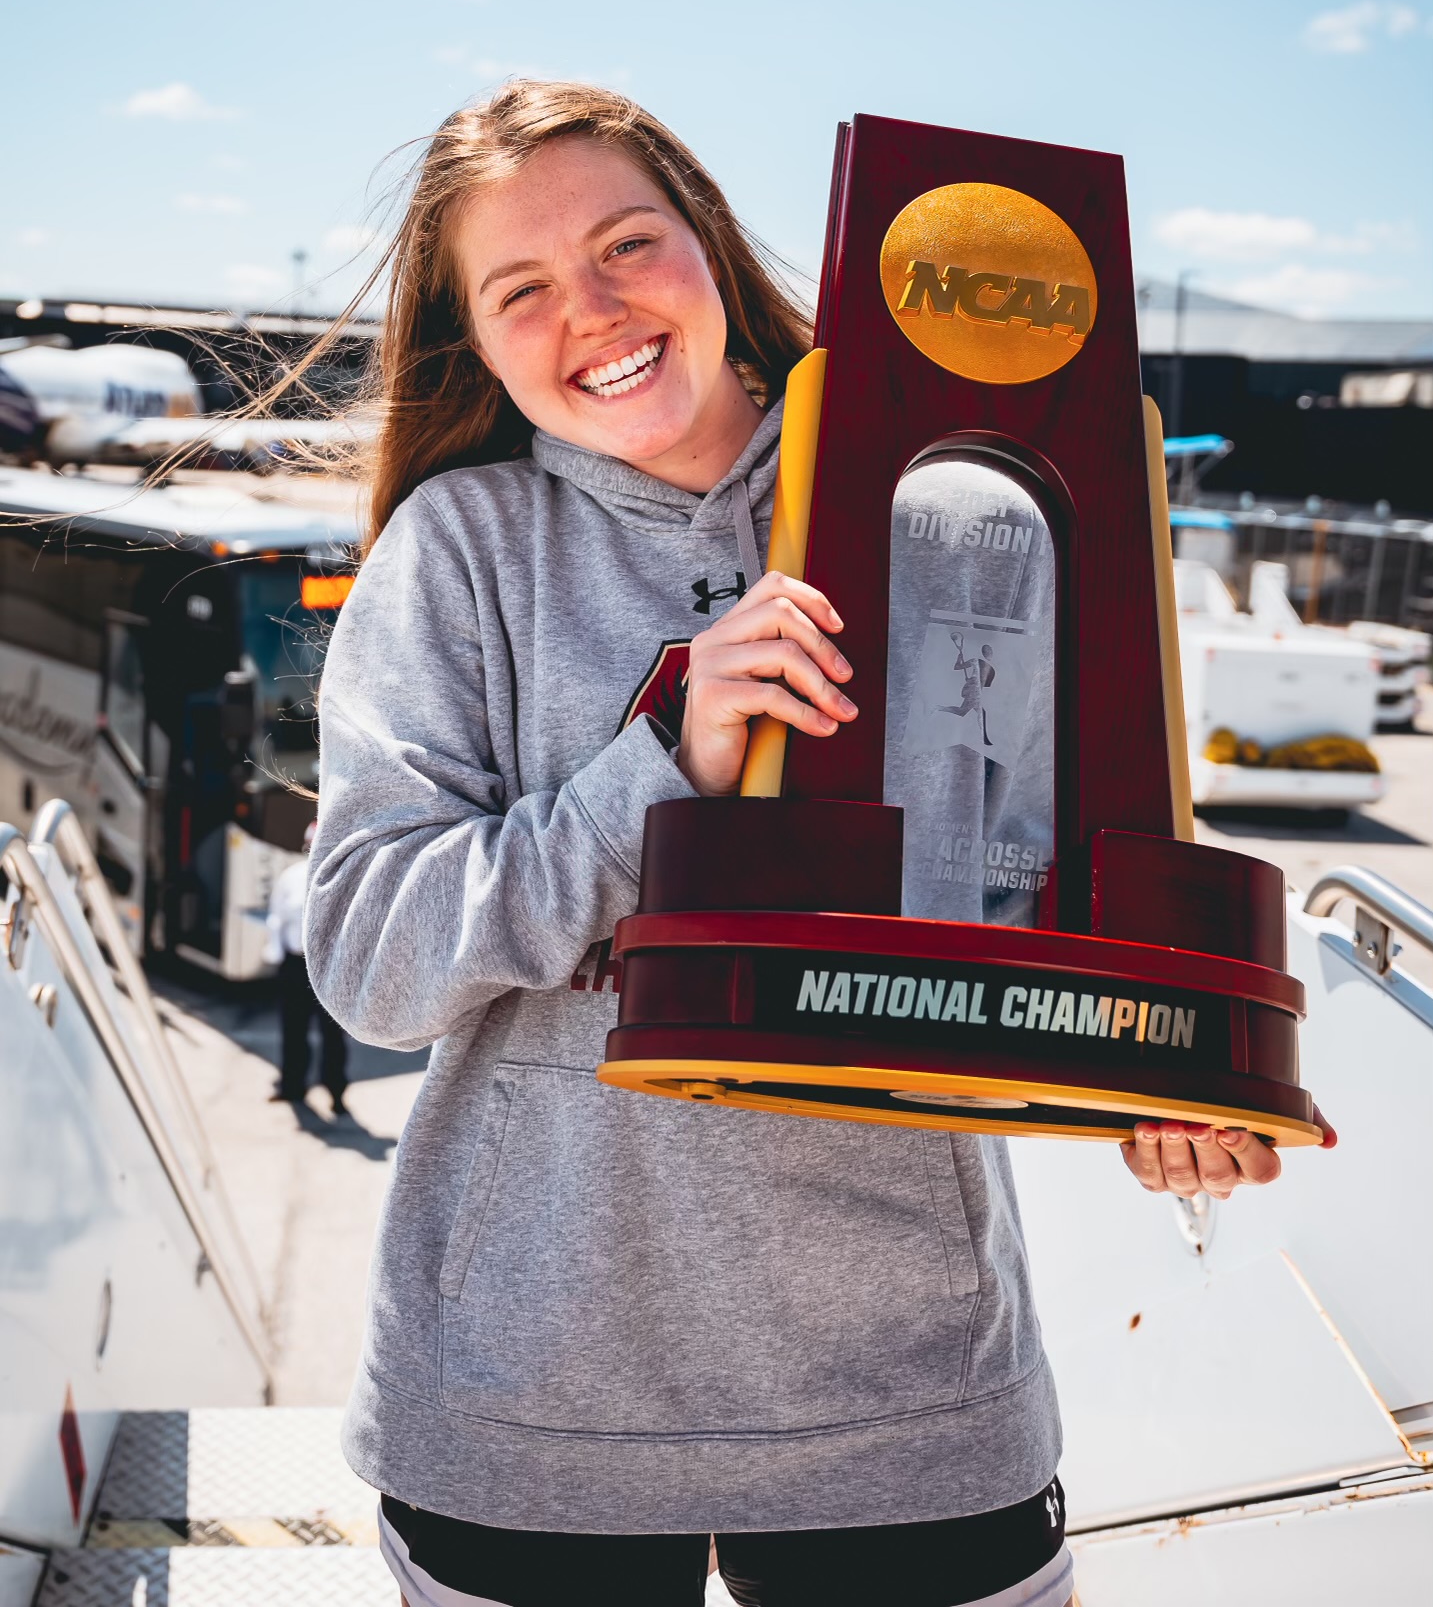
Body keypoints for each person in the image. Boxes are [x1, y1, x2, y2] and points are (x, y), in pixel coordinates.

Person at [301, 81, 1296, 1607]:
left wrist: (1160, 1070)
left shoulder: (956, 492)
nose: (594, 310)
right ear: (475, 342)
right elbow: (370, 958)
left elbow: (1039, 877)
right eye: (522, 289)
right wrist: (659, 775)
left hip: (905, 1401)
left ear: (707, 241)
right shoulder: (464, 552)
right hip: (531, 1408)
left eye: (629, 244)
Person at [264, 819, 349, 1114]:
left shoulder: (343, 876)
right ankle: (292, 1087)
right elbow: (276, 917)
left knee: (333, 1035)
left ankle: (336, 1092)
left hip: (329, 966)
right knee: (293, 1029)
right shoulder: (291, 876)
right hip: (294, 964)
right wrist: (276, 955)